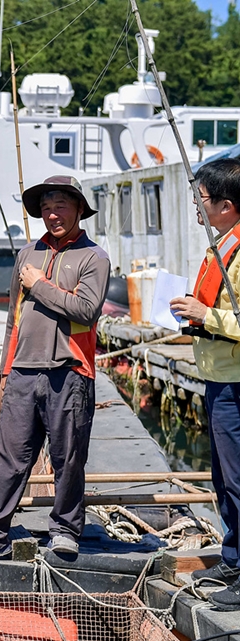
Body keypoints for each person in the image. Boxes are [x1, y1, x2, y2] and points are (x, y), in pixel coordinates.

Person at [0, 175, 110, 560]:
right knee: (9, 458)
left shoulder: (94, 257)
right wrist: (7, 369)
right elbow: (13, 317)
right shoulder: (26, 254)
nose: (52, 214)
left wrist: (39, 284)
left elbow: (87, 311)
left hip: (70, 372)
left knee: (68, 459)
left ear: (79, 209)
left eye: (60, 206)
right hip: (23, 372)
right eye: (45, 208)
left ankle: (66, 530)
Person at [169, 158, 240, 611]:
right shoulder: (222, 245)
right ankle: (233, 559)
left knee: (238, 479)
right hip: (216, 378)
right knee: (223, 479)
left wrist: (205, 315)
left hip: (235, 382)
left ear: (227, 206)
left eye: (203, 198)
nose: (197, 204)